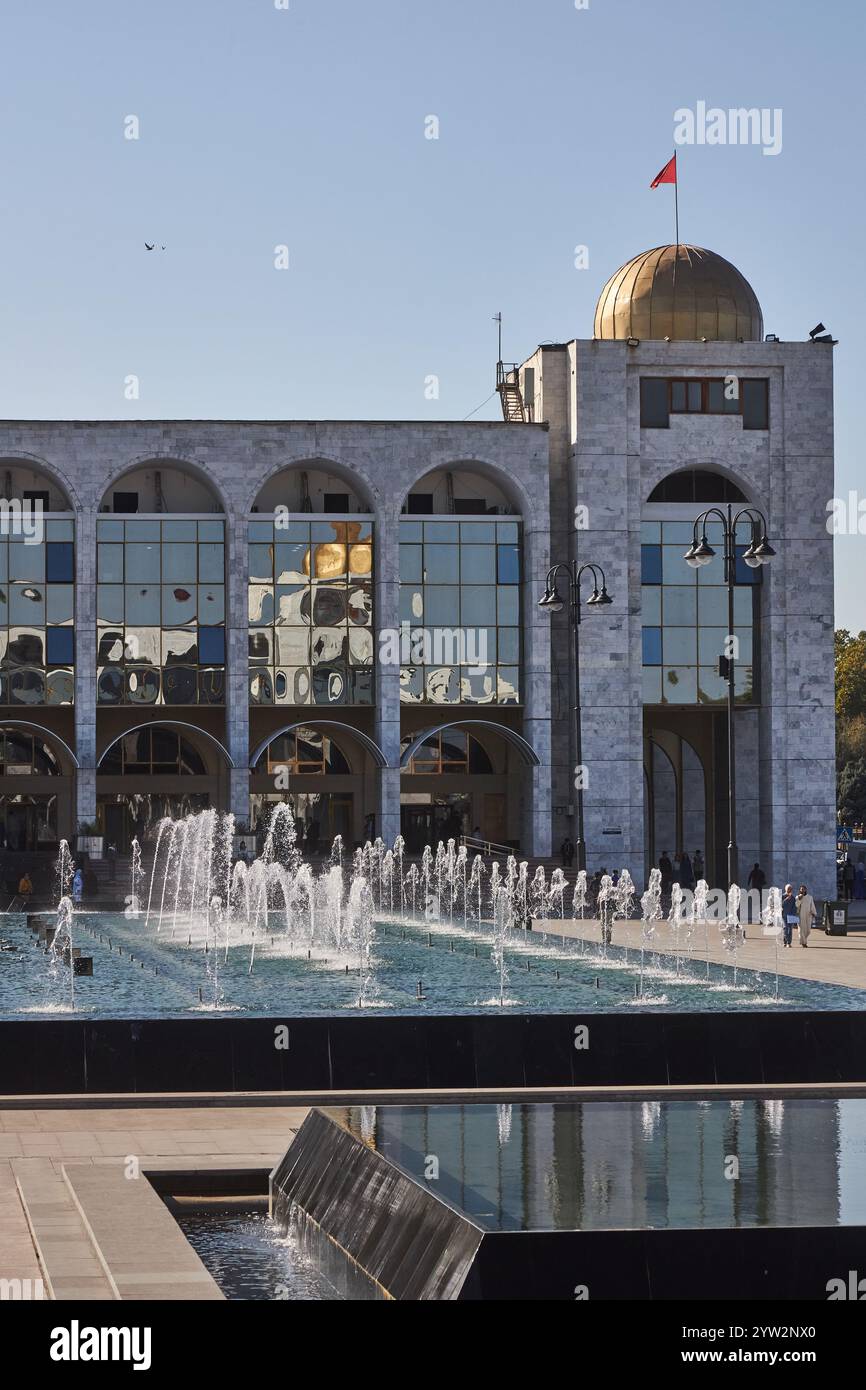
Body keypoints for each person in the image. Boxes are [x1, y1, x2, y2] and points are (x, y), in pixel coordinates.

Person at [796, 883, 816, 947]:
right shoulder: (798, 897)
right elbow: (796, 905)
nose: (802, 890)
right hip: (800, 915)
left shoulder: (810, 897)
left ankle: (803, 941)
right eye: (801, 889)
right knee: (801, 930)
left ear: (806, 890)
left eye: (803, 889)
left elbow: (812, 905)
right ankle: (804, 943)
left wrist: (814, 912)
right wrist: (799, 899)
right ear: (800, 890)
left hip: (808, 915)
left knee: (808, 931)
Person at [781, 884, 798, 949]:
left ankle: (789, 943)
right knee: (785, 928)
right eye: (788, 888)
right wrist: (786, 899)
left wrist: (794, 915)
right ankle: (785, 942)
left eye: (791, 889)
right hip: (784, 915)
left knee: (790, 929)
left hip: (791, 915)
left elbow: (795, 907)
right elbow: (780, 905)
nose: (790, 890)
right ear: (786, 889)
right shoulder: (782, 896)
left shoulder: (793, 898)